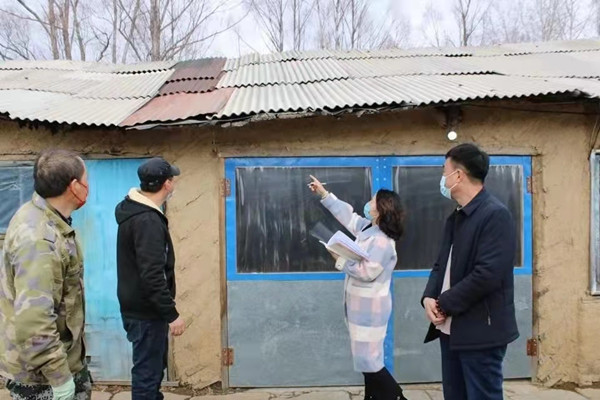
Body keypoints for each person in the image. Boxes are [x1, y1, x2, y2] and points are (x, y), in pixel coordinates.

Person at [421, 143, 519, 400]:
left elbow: (487, 275)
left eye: (444, 172)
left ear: (458, 175)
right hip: (450, 329)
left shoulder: (495, 215)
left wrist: (443, 304)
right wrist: (429, 297)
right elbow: (441, 264)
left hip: (481, 331)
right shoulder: (456, 216)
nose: (442, 178)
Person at [0, 149, 91, 400]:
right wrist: (60, 379)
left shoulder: (42, 215)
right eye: (86, 180)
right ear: (74, 186)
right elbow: (35, 320)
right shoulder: (39, 241)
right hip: (42, 378)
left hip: (57, 362)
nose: (88, 186)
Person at [309, 175, 407, 400]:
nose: (368, 203)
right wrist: (324, 194)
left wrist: (339, 258)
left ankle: (398, 397)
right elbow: (348, 216)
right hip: (359, 310)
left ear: (381, 209)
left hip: (370, 312)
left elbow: (367, 272)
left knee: (370, 362)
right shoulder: (368, 229)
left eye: (373, 200)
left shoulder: (382, 241)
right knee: (365, 362)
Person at [115, 157, 185, 400]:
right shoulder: (147, 220)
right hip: (146, 313)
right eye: (172, 179)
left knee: (152, 372)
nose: (174, 183)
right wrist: (171, 314)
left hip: (141, 309)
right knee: (147, 376)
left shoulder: (136, 211)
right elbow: (152, 274)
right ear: (167, 184)